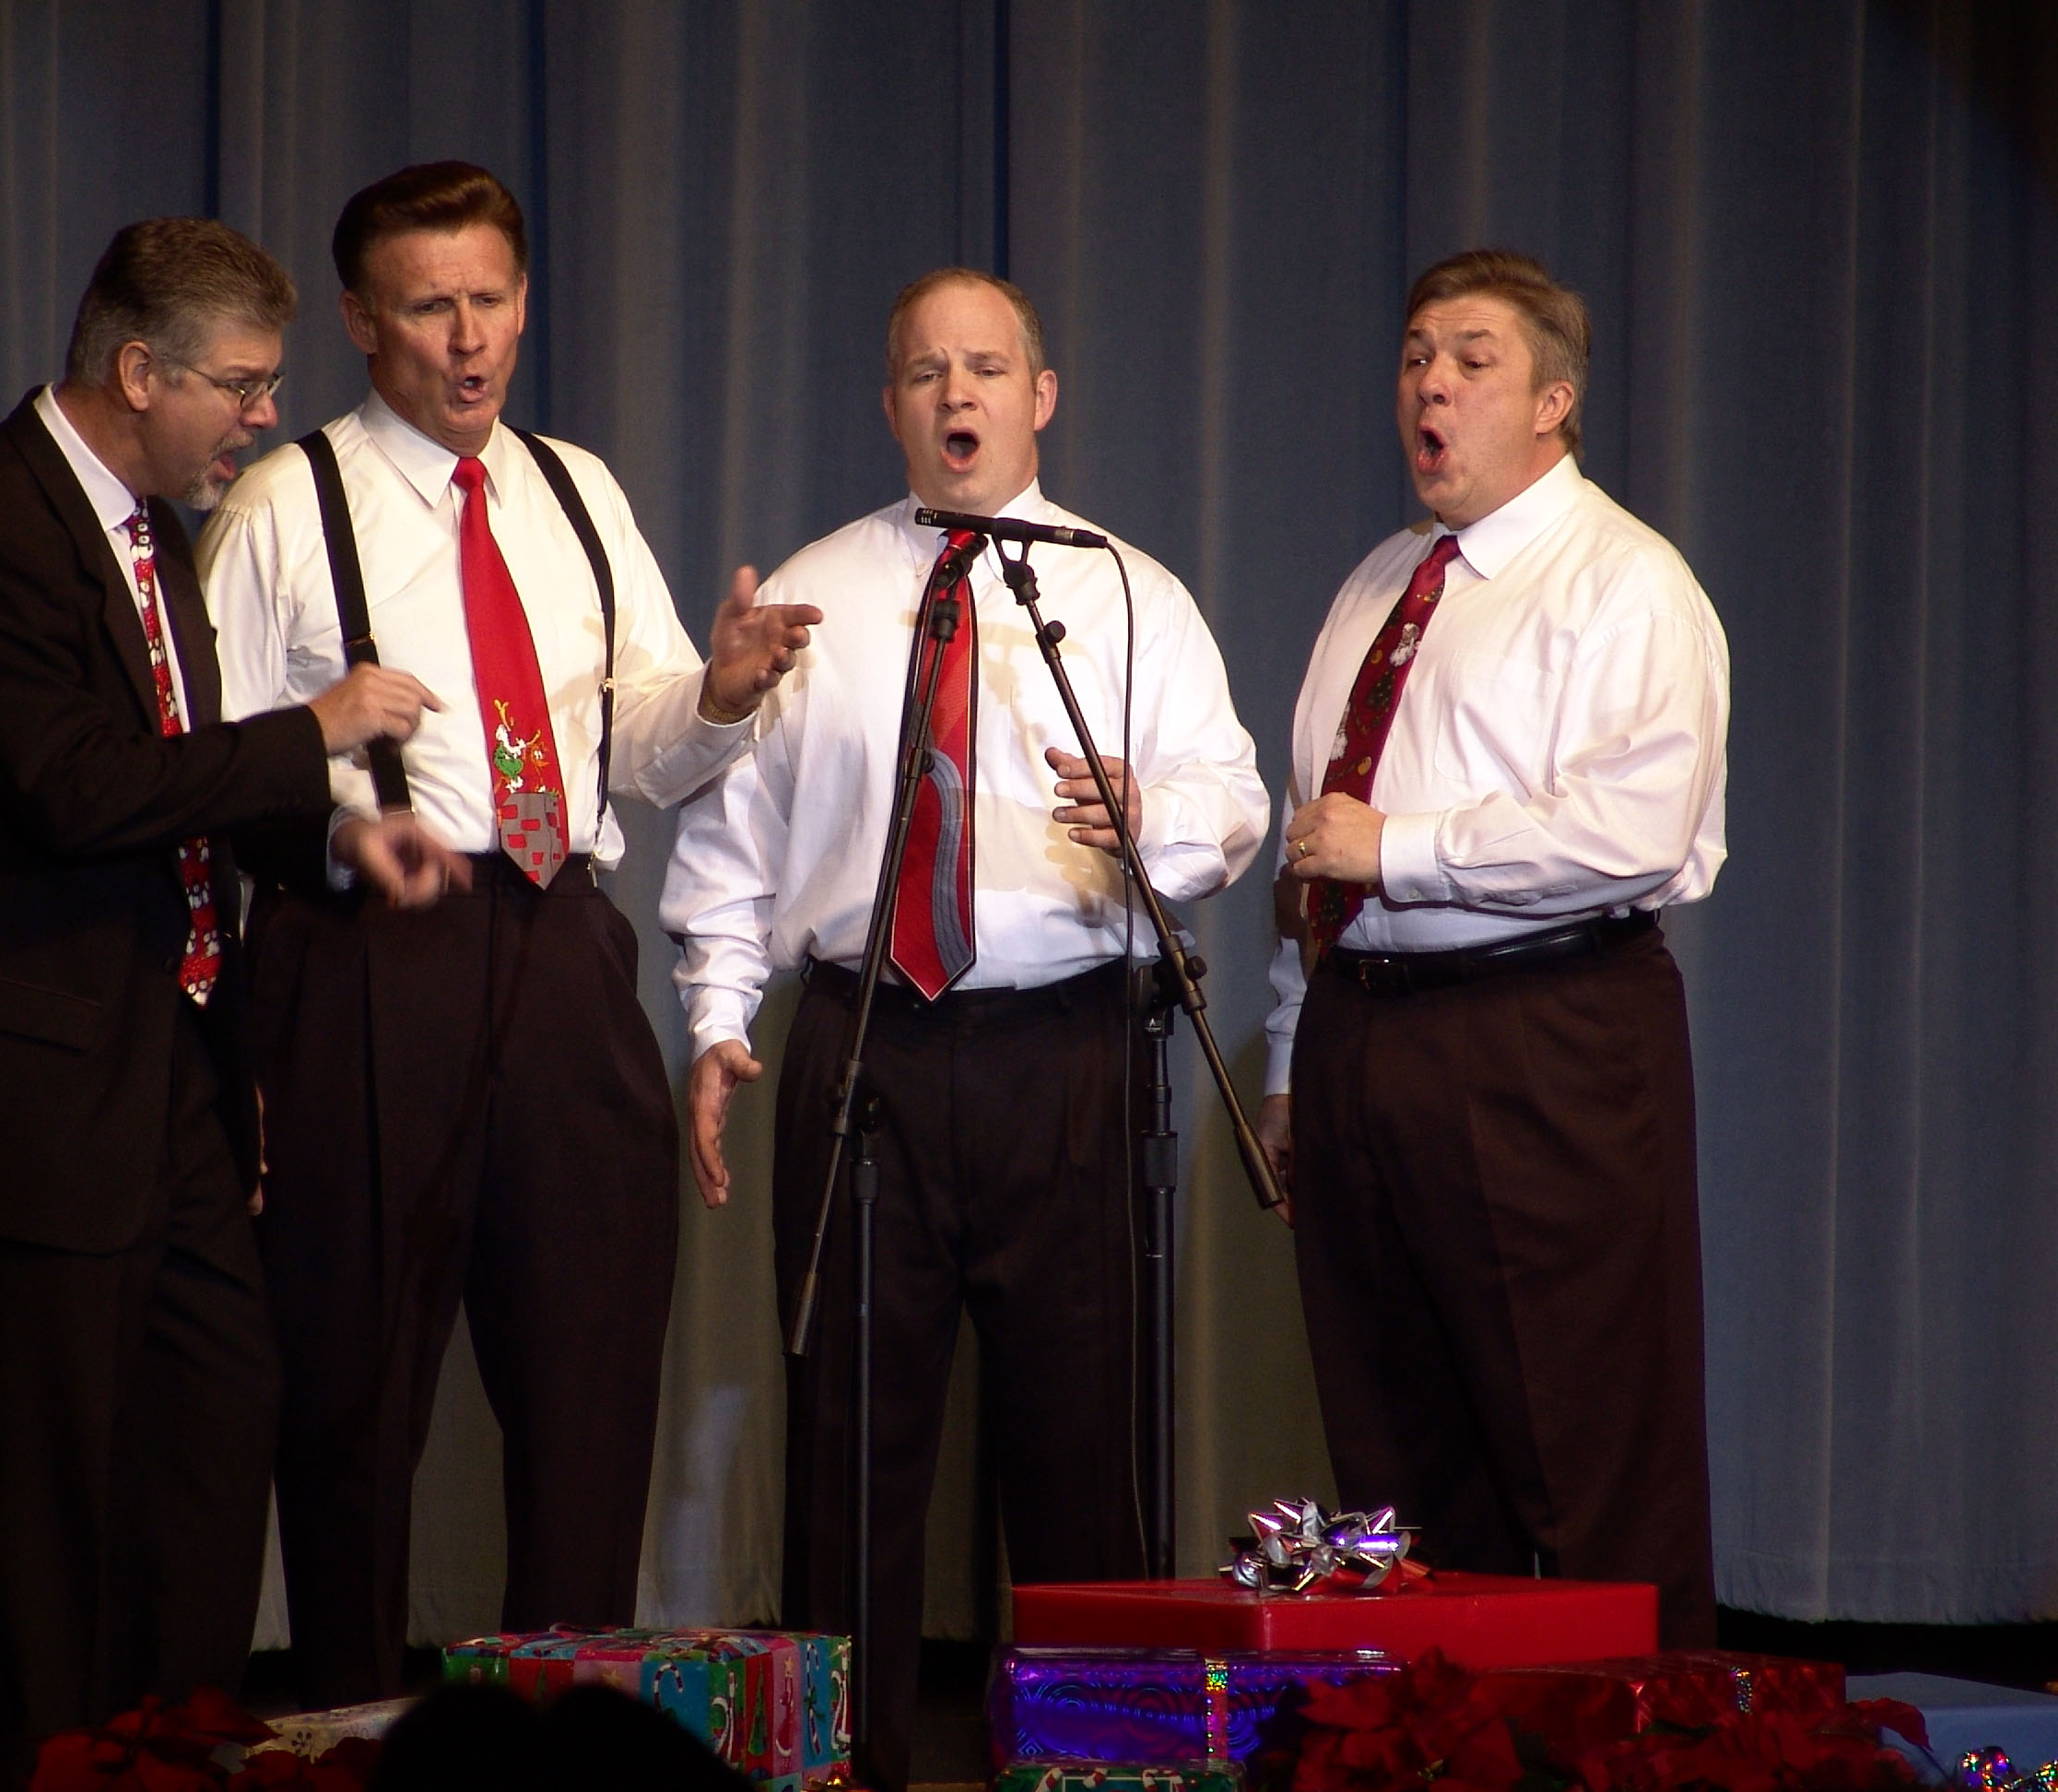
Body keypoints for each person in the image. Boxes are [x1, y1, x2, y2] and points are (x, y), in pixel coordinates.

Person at [0, 218, 435, 1790]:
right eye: (242, 385)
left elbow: (178, 781)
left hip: (166, 1076)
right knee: (48, 1505)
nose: (263, 418)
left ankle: (164, 1759)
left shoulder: (147, 532)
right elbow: (77, 790)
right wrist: (314, 731)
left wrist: (333, 838)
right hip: (19, 1098)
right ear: (139, 370)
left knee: (213, 1428)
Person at [198, 160, 817, 1709]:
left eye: (490, 301)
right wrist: (329, 839)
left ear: (526, 302)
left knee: (591, 1372)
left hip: (562, 947)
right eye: (431, 308)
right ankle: (348, 1725)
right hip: (368, 948)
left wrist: (720, 692)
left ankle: (566, 1731)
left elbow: (643, 743)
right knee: (353, 1386)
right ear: (362, 322)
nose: (468, 339)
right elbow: (212, 765)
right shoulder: (288, 504)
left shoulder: (575, 490)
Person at [663, 266, 1270, 1791]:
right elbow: (732, 849)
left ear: (1039, 397)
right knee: (848, 1457)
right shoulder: (817, 596)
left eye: (987, 368)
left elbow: (1233, 800)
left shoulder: (1127, 594)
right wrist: (720, 1019)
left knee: (1082, 1457)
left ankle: (1095, 1770)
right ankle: (845, 1772)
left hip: (1070, 1053)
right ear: (892, 405)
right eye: (928, 372)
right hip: (864, 1052)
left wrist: (1153, 817)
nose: (958, 395)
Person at [1261, 249, 1729, 1647]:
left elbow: (1634, 829)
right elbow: (1315, 838)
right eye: (1416, 357)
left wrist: (1401, 849)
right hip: (1364, 1039)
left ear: (1552, 402)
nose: (1433, 385)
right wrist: (1289, 1056)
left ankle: (1633, 1735)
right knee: (1395, 1465)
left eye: (1473, 360)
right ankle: (1434, 1735)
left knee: (1588, 1451)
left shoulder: (1625, 580)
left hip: (1545, 1034)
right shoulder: (1381, 583)